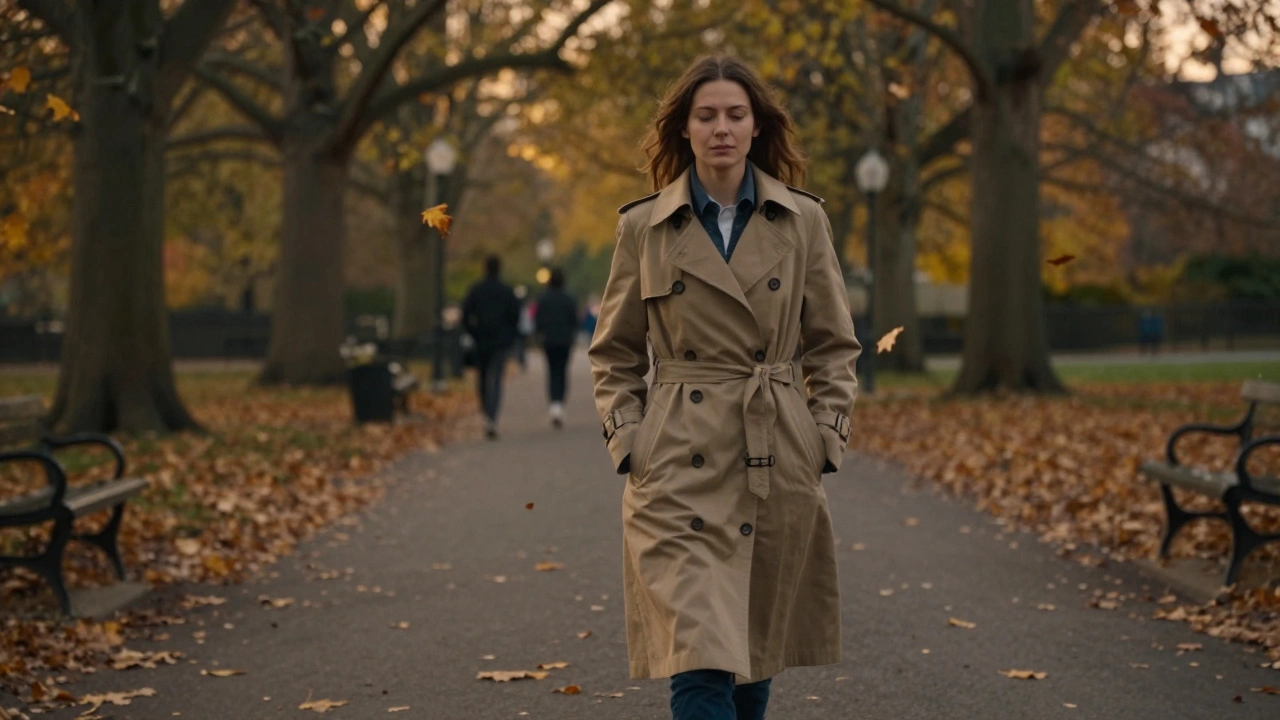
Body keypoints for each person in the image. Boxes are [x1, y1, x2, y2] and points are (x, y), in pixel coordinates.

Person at [587, 55, 862, 720]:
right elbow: (615, 351)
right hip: (677, 463)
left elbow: (834, 343)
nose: (721, 129)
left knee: (753, 649)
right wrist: (630, 439)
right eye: (705, 115)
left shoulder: (801, 221)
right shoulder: (643, 227)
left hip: (773, 451)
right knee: (700, 652)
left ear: (755, 126)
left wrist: (824, 435)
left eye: (734, 115)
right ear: (683, 128)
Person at [462, 255, 521, 439]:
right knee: (496, 379)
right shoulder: (506, 291)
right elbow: (515, 316)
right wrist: (510, 336)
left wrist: (473, 332)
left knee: (482, 377)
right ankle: (492, 417)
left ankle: (485, 410)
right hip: (500, 341)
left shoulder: (476, 290)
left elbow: (465, 315)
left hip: (481, 340)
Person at [535, 267, 579, 428]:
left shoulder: (544, 299)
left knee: (552, 371)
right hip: (564, 341)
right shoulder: (569, 298)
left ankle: (554, 403)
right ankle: (559, 402)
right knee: (562, 371)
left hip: (549, 341)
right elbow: (574, 320)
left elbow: (538, 321)